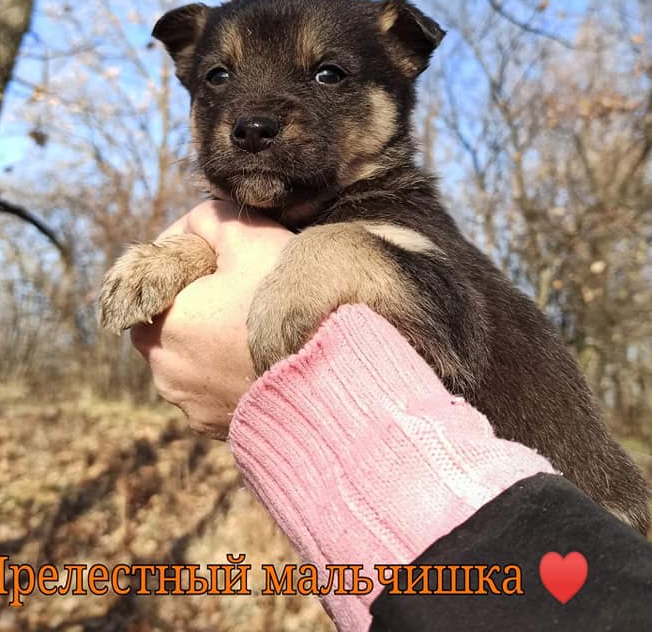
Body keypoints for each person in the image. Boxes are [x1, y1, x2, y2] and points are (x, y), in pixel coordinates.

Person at [130, 201, 652, 631]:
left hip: (597, 515)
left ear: (403, 73)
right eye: (219, 76)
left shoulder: (399, 213)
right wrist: (190, 254)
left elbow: (449, 341)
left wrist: (320, 278)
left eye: (330, 74)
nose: (253, 117)